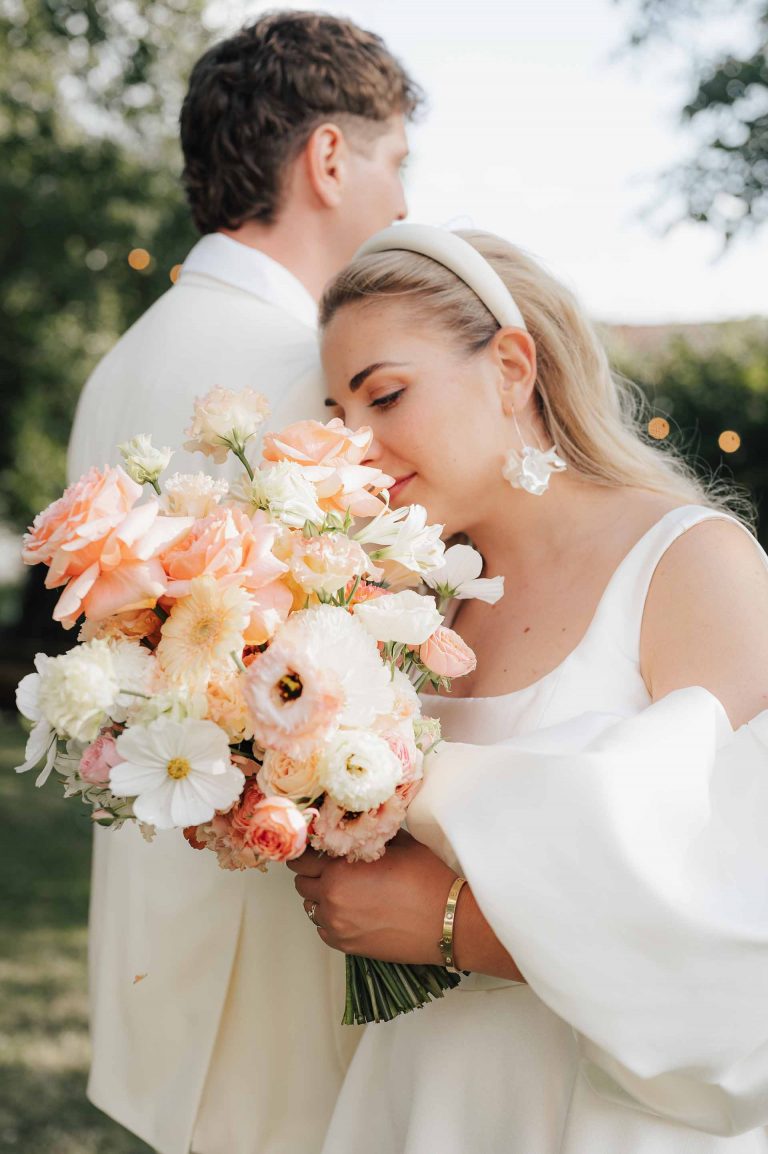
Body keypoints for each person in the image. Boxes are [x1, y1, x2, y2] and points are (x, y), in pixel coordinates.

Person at [289, 223, 768, 1152]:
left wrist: (454, 927)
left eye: (385, 396)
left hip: (602, 1114)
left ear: (512, 368)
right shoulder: (402, 613)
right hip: (421, 1094)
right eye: (337, 414)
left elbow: (744, 915)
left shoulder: (694, 568)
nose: (356, 446)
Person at [66, 16, 420, 1154]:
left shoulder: (120, 363)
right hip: (289, 932)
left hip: (159, 920)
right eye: (395, 161)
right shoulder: (316, 370)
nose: (405, 202)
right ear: (328, 157)